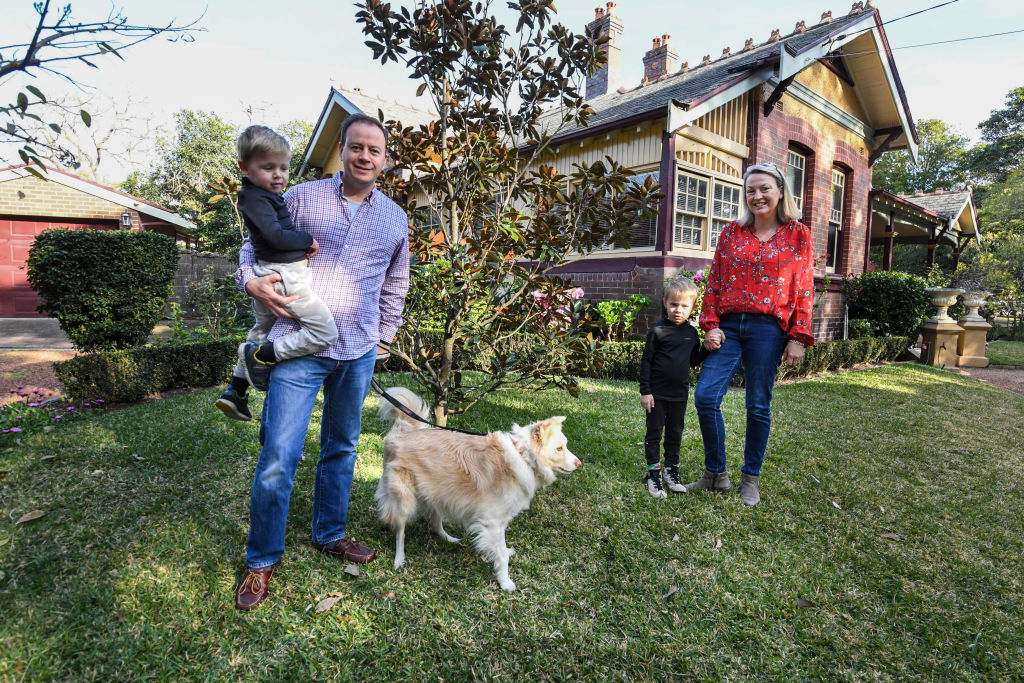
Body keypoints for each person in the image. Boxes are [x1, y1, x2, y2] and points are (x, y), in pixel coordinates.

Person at [234, 114, 410, 611]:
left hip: (357, 350)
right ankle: (262, 559)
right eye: (357, 147)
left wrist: (383, 337)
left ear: (384, 158)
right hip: (299, 342)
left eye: (375, 151)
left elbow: (396, 283)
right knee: (278, 456)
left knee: (342, 448)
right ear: (342, 148)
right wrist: (250, 281)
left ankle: (330, 533)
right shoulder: (301, 197)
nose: (365, 157)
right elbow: (253, 245)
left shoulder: (395, 218)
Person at [688, 161, 814, 506]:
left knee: (758, 404)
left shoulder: (798, 234)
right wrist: (710, 323)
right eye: (751, 190)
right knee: (705, 396)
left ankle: (750, 479)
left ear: (780, 192)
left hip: (768, 329)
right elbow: (714, 281)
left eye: (764, 189)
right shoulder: (731, 233)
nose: (757, 196)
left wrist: (797, 337)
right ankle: (715, 474)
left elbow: (803, 288)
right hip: (728, 326)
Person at [216, 125, 337, 422]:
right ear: (245, 167)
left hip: (276, 273)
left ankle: (236, 390)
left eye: (283, 167)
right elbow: (273, 236)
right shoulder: (254, 198)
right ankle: (264, 355)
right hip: (285, 278)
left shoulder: (264, 196)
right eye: (268, 167)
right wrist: (307, 239)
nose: (278, 175)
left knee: (260, 330)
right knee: (326, 332)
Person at [638, 277, 707, 498]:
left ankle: (671, 471)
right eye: (673, 304)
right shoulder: (657, 332)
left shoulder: (691, 334)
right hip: (656, 396)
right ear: (665, 303)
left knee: (675, 433)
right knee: (654, 433)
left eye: (684, 306)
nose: (678, 310)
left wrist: (707, 347)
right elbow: (646, 362)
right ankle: (653, 474)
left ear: (692, 307)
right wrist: (645, 391)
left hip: (679, 395)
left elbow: (694, 360)